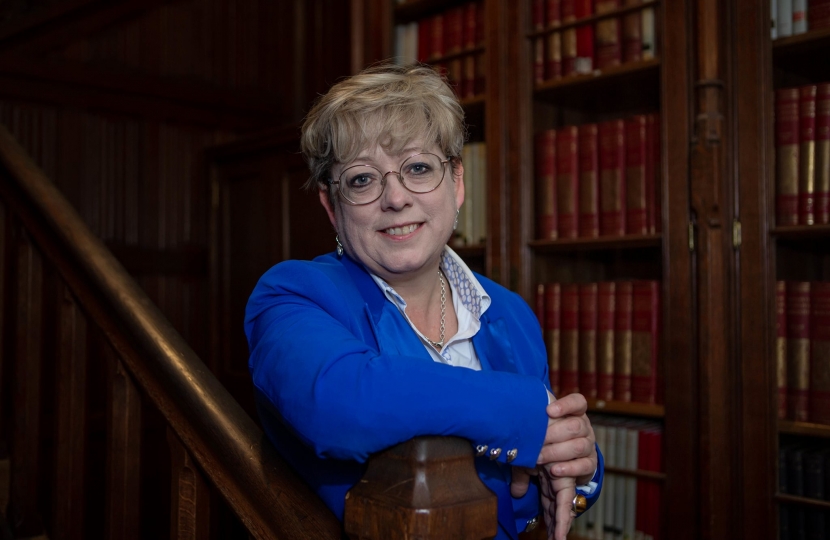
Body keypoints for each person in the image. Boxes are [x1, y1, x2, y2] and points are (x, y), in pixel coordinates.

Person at [245, 63, 603, 540]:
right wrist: (523, 414)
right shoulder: (292, 295)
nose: (395, 198)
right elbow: (341, 403)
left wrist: (580, 465)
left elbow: (532, 488)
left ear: (456, 183)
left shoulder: (510, 313)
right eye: (361, 180)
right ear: (332, 208)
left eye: (417, 168)